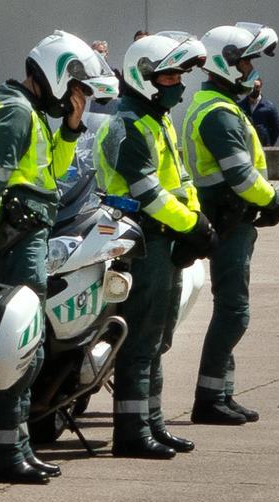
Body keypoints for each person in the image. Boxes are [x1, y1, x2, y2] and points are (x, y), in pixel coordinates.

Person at [0, 30, 116, 484]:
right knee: (21, 348)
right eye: (76, 89)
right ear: (56, 75)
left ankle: (17, 447)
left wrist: (72, 128)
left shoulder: (24, 109)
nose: (79, 99)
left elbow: (53, 171)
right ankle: (5, 453)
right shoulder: (14, 112)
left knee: (26, 348)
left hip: (28, 236)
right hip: (15, 243)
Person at [97, 32, 213, 460]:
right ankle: (130, 431)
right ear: (144, 76)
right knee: (141, 338)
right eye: (170, 76)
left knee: (158, 338)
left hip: (165, 239)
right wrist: (190, 227)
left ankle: (153, 423)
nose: (179, 84)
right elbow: (148, 194)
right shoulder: (127, 123)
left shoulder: (157, 119)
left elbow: (180, 180)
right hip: (140, 241)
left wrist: (195, 222)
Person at [184, 23, 279, 425]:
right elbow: (242, 176)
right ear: (226, 64)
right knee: (234, 312)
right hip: (228, 221)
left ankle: (223, 393)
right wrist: (274, 202)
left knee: (230, 310)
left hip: (233, 219)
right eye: (245, 62)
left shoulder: (221, 107)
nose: (250, 70)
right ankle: (209, 399)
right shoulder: (218, 114)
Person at [239, 79, 279, 147]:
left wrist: (269, 144)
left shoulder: (269, 107)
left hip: (263, 146)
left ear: (260, 87)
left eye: (257, 87)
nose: (254, 89)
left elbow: (276, 128)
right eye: (251, 87)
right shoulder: (240, 106)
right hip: (246, 146)